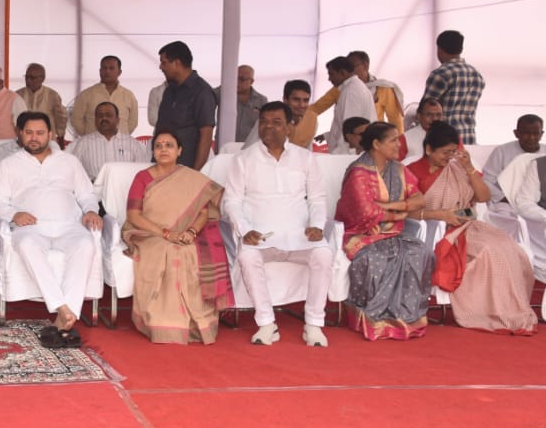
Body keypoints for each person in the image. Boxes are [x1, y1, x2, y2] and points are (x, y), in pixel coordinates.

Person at [405, 121, 536, 334]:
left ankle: (507, 310)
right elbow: (405, 210)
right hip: (436, 231)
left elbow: (483, 197)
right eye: (445, 152)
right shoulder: (412, 172)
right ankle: (488, 313)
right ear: (428, 149)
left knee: (509, 247)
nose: (449, 157)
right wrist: (441, 215)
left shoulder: (458, 169)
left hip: (468, 226)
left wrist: (469, 168)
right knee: (489, 252)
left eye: (453, 152)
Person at [0, 112, 102, 348]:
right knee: (26, 244)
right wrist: (13, 214)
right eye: (29, 132)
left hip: (69, 224)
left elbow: (87, 194)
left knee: (86, 244)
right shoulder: (8, 165)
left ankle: (62, 319)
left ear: (50, 135)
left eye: (40, 133)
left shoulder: (69, 161)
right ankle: (64, 310)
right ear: (20, 134)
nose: (34, 138)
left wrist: (91, 210)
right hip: (31, 226)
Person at [223, 102, 333, 347]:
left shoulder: (305, 158)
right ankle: (266, 323)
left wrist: (317, 225)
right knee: (248, 257)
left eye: (276, 122)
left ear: (289, 127)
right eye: (263, 122)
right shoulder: (243, 159)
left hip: (299, 236)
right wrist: (244, 230)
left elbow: (317, 198)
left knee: (324, 255)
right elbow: (232, 201)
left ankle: (314, 324)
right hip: (261, 236)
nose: (268, 127)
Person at [122, 130, 232, 344]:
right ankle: (164, 323)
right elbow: (133, 215)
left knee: (191, 252)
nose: (163, 149)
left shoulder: (191, 178)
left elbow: (202, 213)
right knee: (169, 250)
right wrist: (166, 233)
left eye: (169, 145)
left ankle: (194, 323)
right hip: (147, 232)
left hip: (184, 233)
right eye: (158, 146)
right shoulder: (142, 177)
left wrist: (191, 233)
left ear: (179, 150)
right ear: (153, 151)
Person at [334, 122, 433, 341]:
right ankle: (374, 319)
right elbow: (366, 213)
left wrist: (392, 207)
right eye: (393, 140)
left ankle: (406, 317)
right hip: (362, 235)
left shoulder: (398, 169)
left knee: (422, 252)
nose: (399, 144)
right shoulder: (359, 172)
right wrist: (400, 213)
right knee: (376, 257)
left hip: (394, 233)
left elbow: (420, 199)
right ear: (376, 144)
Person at [155, 41, 216, 169]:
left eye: (164, 63)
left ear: (177, 63)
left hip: (186, 166)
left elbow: (206, 136)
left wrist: (195, 173)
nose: (161, 67)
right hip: (161, 165)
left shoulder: (202, 91)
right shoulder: (169, 90)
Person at [424, 30, 485, 144]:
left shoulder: (440, 74)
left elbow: (426, 110)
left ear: (439, 49)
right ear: (461, 49)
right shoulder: (476, 75)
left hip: (443, 140)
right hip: (469, 138)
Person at [66, 102, 150, 182]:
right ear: (95, 120)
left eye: (108, 115)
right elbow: (72, 170)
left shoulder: (132, 144)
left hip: (125, 189)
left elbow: (143, 171)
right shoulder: (83, 143)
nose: (104, 118)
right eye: (100, 116)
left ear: (117, 120)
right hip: (93, 189)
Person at [71, 56, 139, 137]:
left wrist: (121, 135)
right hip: (93, 143)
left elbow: (133, 122)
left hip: (121, 142)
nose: (107, 71)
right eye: (104, 68)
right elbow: (76, 120)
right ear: (100, 71)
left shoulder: (129, 96)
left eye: (111, 68)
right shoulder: (86, 95)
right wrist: (89, 136)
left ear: (119, 72)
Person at [482, 115, 543, 203]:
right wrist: (504, 198)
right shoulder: (502, 151)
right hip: (507, 202)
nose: (531, 137)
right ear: (516, 133)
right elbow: (487, 180)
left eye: (536, 133)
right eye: (526, 133)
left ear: (541, 134)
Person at [324, 56, 374, 155]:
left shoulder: (352, 91)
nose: (329, 79)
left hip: (349, 153)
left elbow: (350, 128)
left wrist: (340, 155)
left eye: (331, 74)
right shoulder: (354, 87)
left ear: (342, 73)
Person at [348, 51, 405, 133]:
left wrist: (399, 139)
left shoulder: (383, 88)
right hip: (351, 137)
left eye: (352, 67)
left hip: (375, 135)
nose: (349, 71)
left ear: (365, 66)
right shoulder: (344, 88)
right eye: (347, 68)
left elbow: (395, 119)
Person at [215, 65, 268, 144]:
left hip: (249, 148)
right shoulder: (222, 93)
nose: (237, 82)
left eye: (242, 79)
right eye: (234, 78)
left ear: (251, 81)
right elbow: (206, 96)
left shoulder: (261, 101)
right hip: (223, 146)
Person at [16, 63, 67, 142]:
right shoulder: (18, 95)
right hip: (24, 140)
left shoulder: (52, 95)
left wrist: (61, 136)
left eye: (32, 77)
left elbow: (60, 118)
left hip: (47, 140)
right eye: (26, 77)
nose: (28, 80)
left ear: (42, 79)